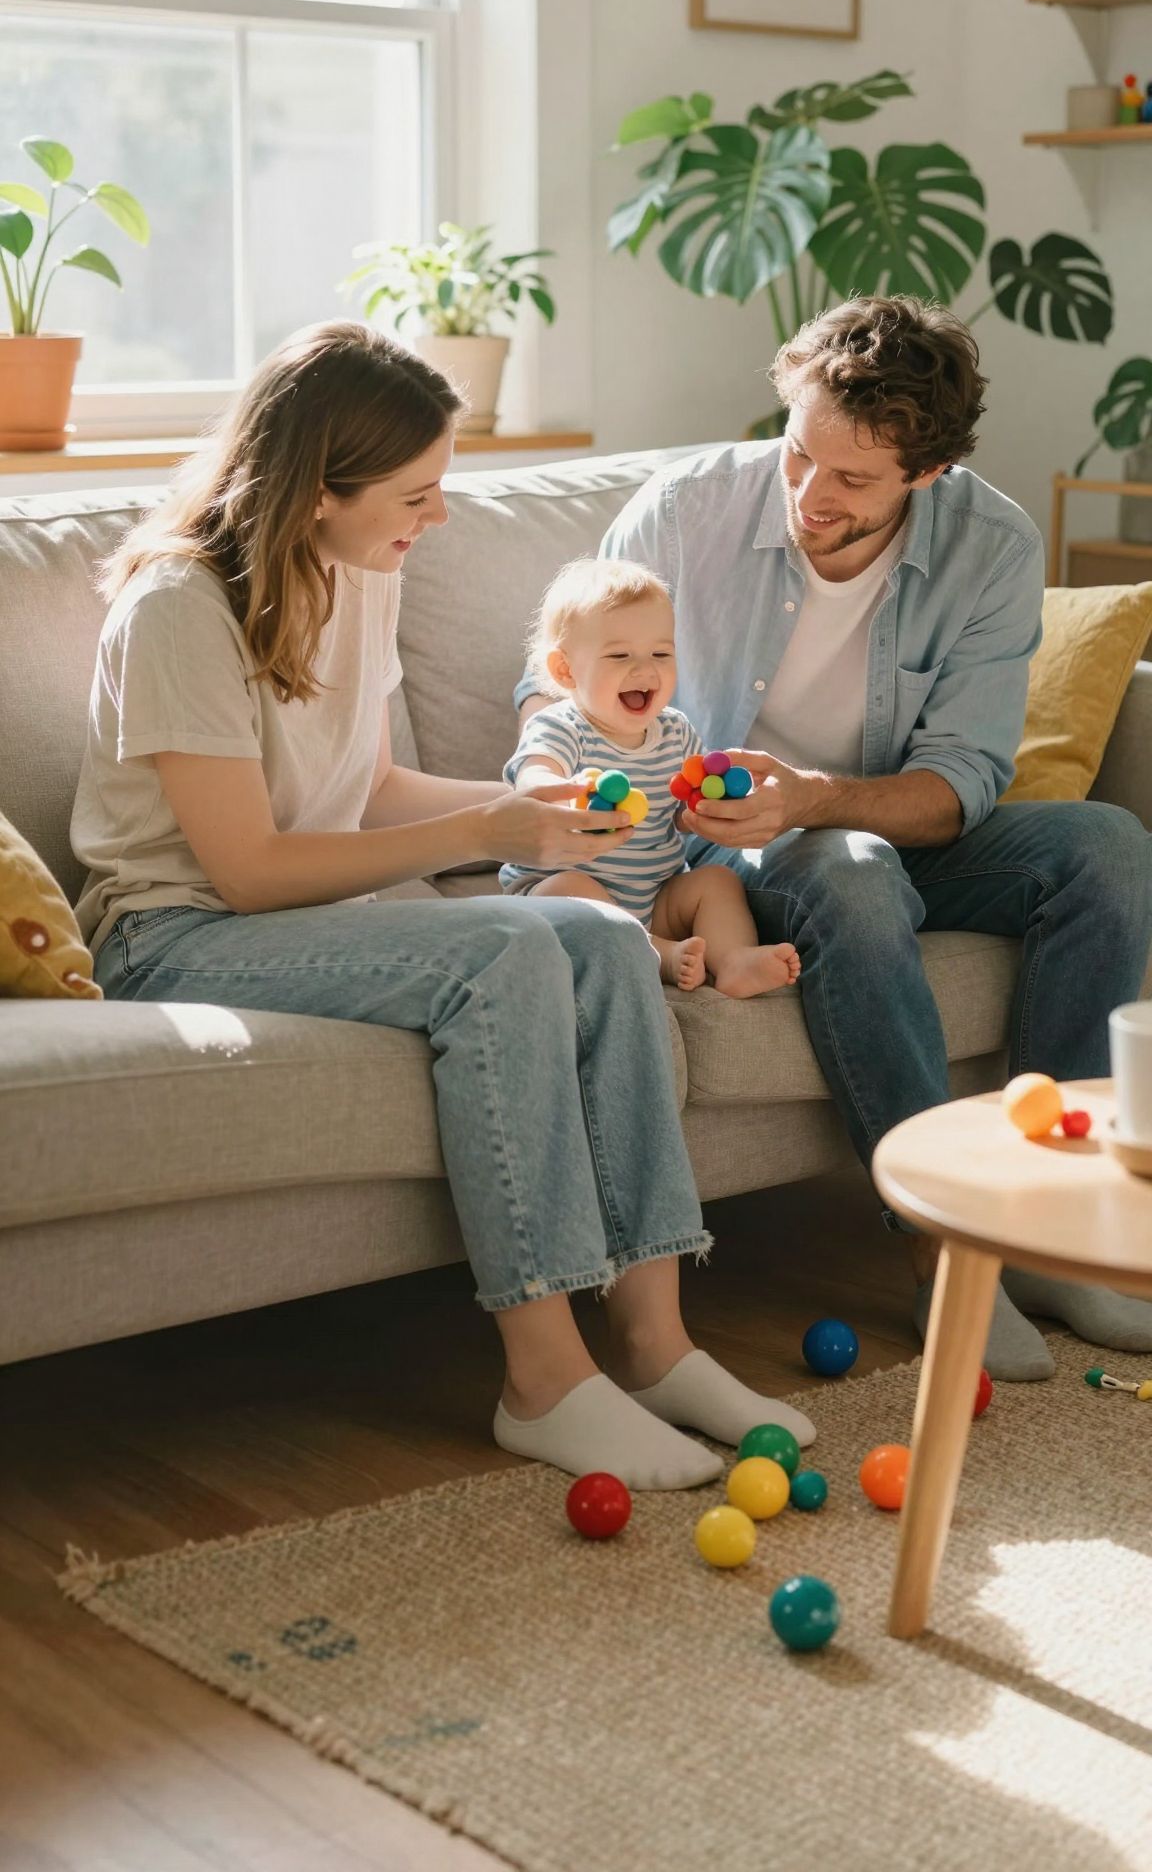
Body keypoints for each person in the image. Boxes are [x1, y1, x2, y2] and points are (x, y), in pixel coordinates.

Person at [71, 319, 816, 1492]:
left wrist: (546, 800)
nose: (440, 515)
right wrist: (482, 834)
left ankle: (657, 1342)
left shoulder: (358, 571)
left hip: (276, 915)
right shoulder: (179, 607)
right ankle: (543, 1382)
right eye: (418, 490)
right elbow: (248, 870)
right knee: (506, 955)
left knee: (599, 935)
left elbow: (361, 787)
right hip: (174, 933)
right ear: (321, 486)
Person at [517, 295, 1152, 1382]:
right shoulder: (684, 509)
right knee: (852, 878)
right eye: (799, 454)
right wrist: (587, 795)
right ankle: (948, 1250)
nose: (812, 495)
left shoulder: (989, 544)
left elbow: (963, 784)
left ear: (927, 471)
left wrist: (812, 796)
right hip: (713, 849)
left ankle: (1050, 1227)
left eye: (853, 479)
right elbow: (558, 683)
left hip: (853, 814)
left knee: (1108, 846)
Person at [501, 556, 801, 996]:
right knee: (567, 886)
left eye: (661, 653)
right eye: (620, 655)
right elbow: (535, 774)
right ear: (566, 670)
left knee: (716, 882)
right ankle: (657, 954)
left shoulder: (677, 732)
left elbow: (687, 808)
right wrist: (566, 798)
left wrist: (715, 806)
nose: (646, 669)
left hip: (654, 896)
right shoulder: (562, 727)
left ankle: (732, 959)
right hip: (563, 895)